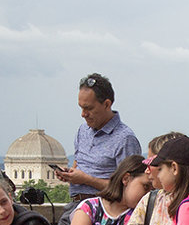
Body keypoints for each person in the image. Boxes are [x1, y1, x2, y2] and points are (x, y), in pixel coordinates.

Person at [53, 73, 142, 205]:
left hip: (103, 211)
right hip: (74, 205)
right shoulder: (83, 130)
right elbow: (78, 164)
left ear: (107, 104)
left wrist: (86, 180)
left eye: (88, 108)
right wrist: (69, 175)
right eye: (81, 108)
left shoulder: (125, 139)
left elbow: (129, 189)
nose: (83, 114)